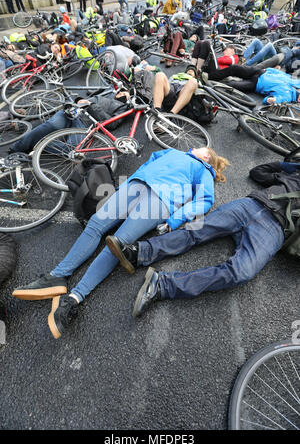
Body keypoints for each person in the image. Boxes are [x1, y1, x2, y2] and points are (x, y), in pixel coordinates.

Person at [12, 147, 230, 339]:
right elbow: (149, 161)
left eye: (201, 148)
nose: (195, 147)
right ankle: (58, 276)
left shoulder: (203, 169)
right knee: (96, 224)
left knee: (118, 244)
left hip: (161, 200)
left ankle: (74, 297)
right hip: (136, 185)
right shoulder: (173, 152)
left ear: (207, 156)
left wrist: (175, 219)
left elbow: (204, 200)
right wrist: (127, 184)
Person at [106, 161, 300, 318]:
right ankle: (139, 252)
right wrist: (286, 170)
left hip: (275, 229)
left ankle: (162, 285)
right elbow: (257, 172)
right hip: (253, 204)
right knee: (196, 231)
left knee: (240, 272)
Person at [9, 88, 131, 154]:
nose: (120, 92)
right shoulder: (107, 94)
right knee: (51, 124)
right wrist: (80, 100)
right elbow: (84, 98)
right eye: (120, 91)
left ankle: (40, 144)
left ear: (127, 98)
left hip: (86, 123)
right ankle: (17, 148)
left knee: (71, 149)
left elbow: (112, 123)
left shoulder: (122, 107)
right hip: (73, 111)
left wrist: (91, 105)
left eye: (124, 92)